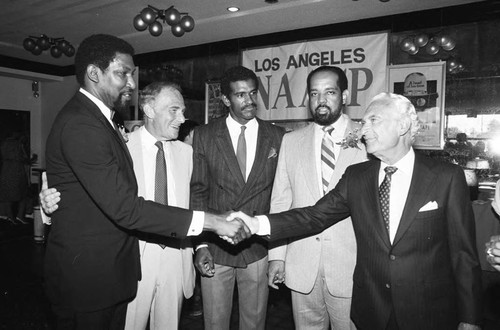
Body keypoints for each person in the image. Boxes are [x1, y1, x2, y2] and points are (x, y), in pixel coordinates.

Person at [41, 34, 249, 329]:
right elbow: (126, 207)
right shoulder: (82, 123)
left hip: (114, 273)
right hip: (91, 279)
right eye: (122, 73)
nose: (131, 83)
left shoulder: (104, 121)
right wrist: (213, 222)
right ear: (93, 74)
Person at [232, 93, 483, 330]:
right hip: (372, 311)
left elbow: (464, 255)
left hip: (428, 313)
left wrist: (470, 318)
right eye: (363, 122)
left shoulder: (446, 178)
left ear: (403, 126)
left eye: (374, 121)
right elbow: (313, 216)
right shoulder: (357, 176)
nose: (363, 130)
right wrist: (256, 224)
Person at [267, 66, 367, 329]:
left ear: (344, 96)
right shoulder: (291, 141)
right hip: (302, 263)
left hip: (353, 266)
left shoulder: (368, 139)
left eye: (329, 92)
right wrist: (277, 256)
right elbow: (280, 201)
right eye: (314, 93)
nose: (321, 100)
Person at [190, 65, 285, 330]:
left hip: (257, 248)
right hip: (216, 248)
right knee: (215, 323)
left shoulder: (277, 136)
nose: (250, 100)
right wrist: (200, 245)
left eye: (253, 93)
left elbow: (281, 198)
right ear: (225, 100)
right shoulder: (206, 135)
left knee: (254, 324)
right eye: (241, 95)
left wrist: (278, 251)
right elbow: (198, 191)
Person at [0, 131, 30, 225]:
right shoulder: (17, 144)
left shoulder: (3, 144)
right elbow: (22, 157)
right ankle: (20, 215)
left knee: (7, 195)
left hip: (6, 170)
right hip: (17, 171)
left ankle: (10, 216)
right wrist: (31, 159)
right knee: (23, 194)